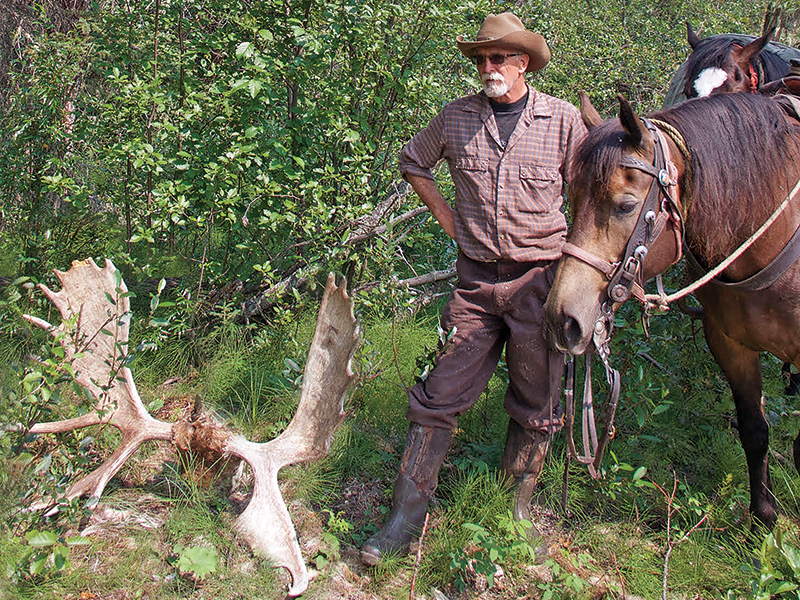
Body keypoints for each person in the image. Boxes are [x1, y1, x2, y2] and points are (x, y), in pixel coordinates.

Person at [359, 12, 588, 566]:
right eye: (482, 59)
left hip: (540, 285)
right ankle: (402, 520)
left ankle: (516, 516)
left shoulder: (562, 122)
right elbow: (413, 162)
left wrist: (582, 274)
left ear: (524, 63)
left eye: (500, 58)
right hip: (476, 286)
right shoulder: (456, 118)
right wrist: (449, 221)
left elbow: (594, 194)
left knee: (538, 402)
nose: (489, 68)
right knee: (437, 395)